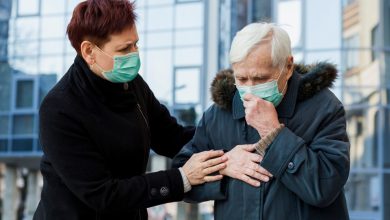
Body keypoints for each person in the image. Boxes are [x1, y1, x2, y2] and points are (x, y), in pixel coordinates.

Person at [33, 0, 227, 219]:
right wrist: (182, 177)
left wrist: (227, 143)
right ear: (89, 51)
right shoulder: (59, 109)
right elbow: (103, 195)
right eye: (125, 48)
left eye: (135, 44)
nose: (134, 54)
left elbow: (172, 137)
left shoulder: (133, 85)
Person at [172, 22, 350, 220]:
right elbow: (184, 179)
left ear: (288, 67)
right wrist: (223, 164)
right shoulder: (219, 114)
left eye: (260, 79)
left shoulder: (324, 107)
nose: (249, 89)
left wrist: (273, 133)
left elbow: (325, 187)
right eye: (241, 79)